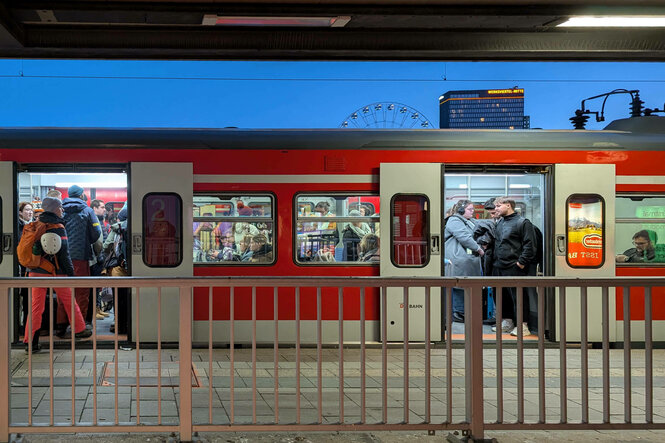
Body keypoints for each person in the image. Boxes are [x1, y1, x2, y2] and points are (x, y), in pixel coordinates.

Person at [22, 197, 91, 353]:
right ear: (54, 209)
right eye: (60, 207)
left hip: (35, 271)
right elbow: (64, 254)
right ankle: (80, 329)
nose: (62, 210)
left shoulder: (35, 225)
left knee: (36, 307)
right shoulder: (57, 226)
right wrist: (71, 274)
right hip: (56, 272)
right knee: (69, 301)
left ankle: (30, 342)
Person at [57, 185, 102, 335]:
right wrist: (87, 239)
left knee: (63, 290)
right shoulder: (88, 210)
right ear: (82, 195)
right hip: (80, 256)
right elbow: (96, 232)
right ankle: (79, 327)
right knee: (81, 291)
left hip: (61, 256)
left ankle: (61, 326)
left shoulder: (60, 210)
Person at [492, 197, 537, 336]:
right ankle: (508, 321)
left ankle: (523, 326)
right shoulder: (500, 223)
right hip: (499, 265)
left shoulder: (523, 223)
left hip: (514, 266)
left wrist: (521, 262)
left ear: (508, 205)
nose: (496, 209)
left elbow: (530, 245)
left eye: (499, 206)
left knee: (518, 296)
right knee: (502, 296)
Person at [444, 200, 484, 322]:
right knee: (459, 285)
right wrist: (478, 248)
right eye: (470, 209)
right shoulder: (454, 221)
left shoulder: (468, 221)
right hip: (458, 258)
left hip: (466, 259)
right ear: (461, 210)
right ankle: (459, 313)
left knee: (464, 285)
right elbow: (464, 237)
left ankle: (463, 312)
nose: (473, 212)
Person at [103, 203, 129, 334]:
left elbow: (106, 246)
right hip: (132, 271)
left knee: (119, 299)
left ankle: (119, 325)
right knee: (130, 299)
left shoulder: (116, 229)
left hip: (118, 270)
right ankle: (130, 325)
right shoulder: (138, 226)